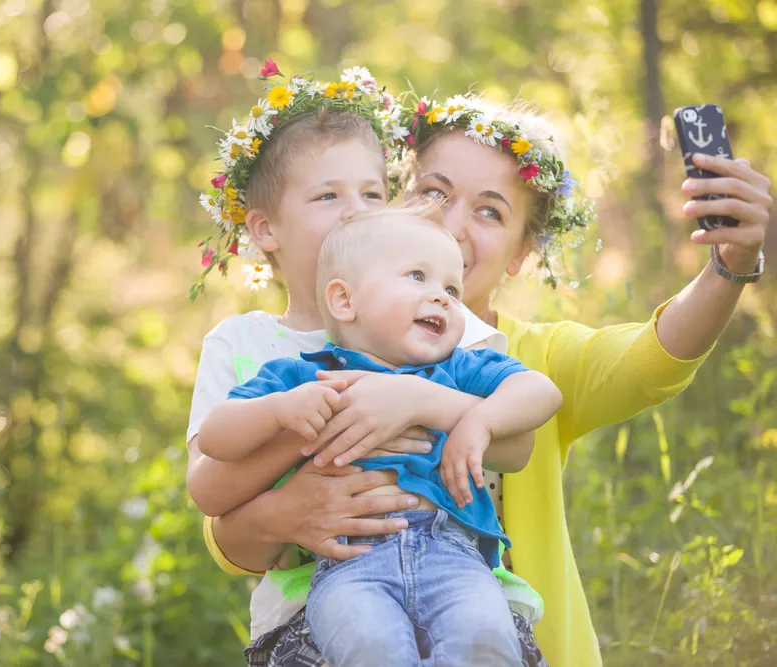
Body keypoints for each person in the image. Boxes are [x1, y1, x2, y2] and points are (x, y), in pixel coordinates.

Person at [196, 91, 773, 667]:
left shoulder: (526, 355)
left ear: (522, 251)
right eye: (433, 193)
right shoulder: (283, 353)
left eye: (490, 211)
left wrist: (730, 262)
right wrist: (287, 499)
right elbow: (222, 523)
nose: (449, 224)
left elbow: (652, 358)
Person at [188, 65, 553, 664]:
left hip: (462, 584)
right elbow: (209, 487)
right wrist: (308, 428)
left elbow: (516, 445)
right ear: (266, 228)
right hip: (313, 604)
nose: (355, 211)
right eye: (328, 195)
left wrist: (415, 402)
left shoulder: (444, 335)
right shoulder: (246, 345)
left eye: (374, 193)